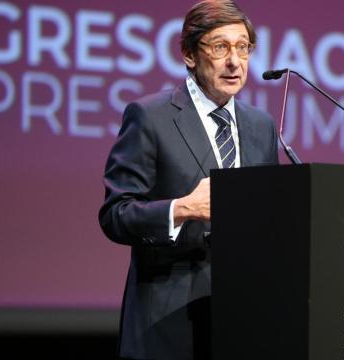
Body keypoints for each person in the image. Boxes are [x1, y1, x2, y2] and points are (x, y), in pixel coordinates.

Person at [98, 1, 279, 359]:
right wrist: (181, 209)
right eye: (220, 47)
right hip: (167, 323)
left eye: (243, 48)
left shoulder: (261, 126)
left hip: (241, 322)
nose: (234, 61)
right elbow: (115, 215)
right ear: (189, 54)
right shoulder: (150, 116)